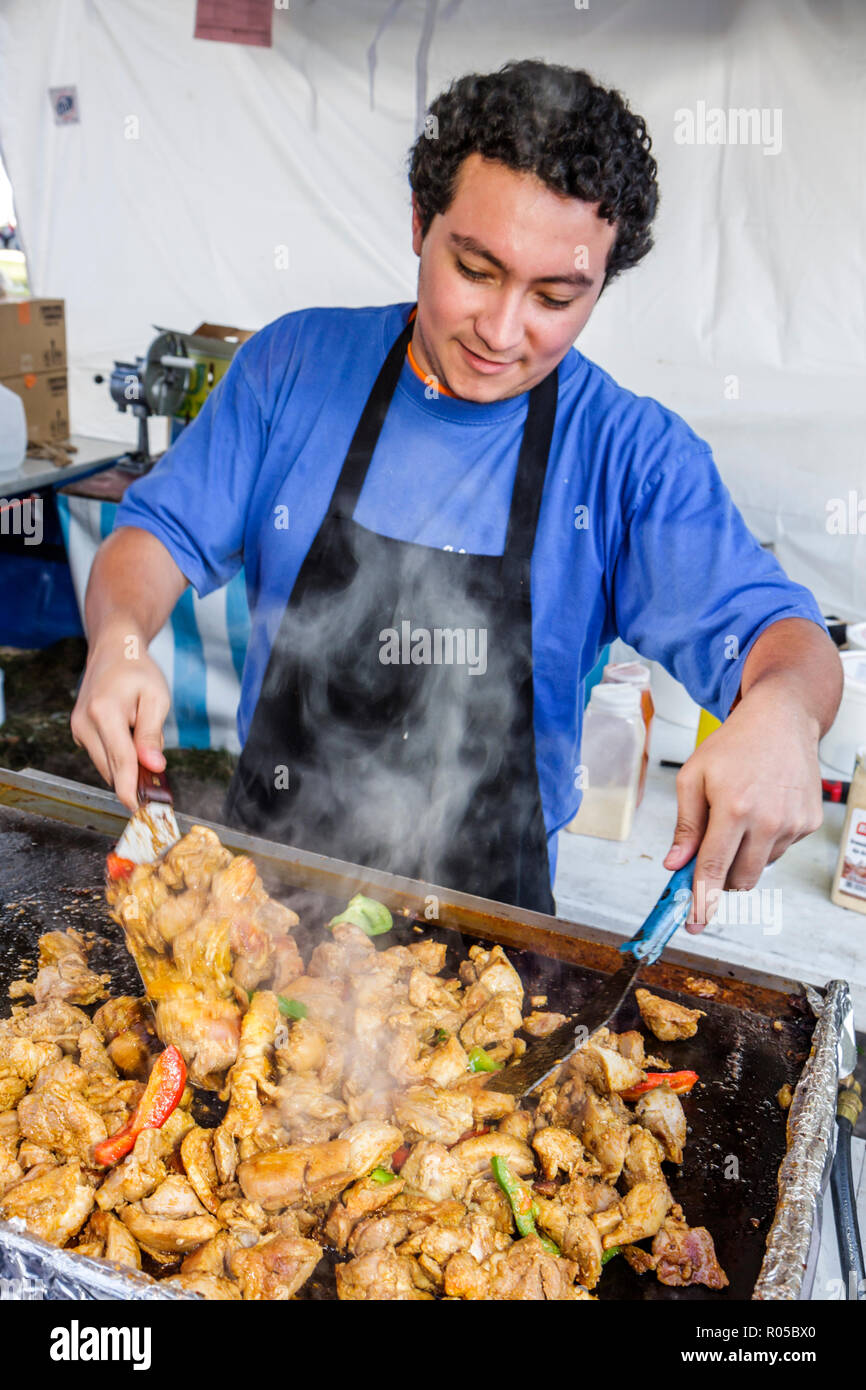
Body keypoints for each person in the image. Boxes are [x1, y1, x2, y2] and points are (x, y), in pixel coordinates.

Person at [71, 61, 842, 929]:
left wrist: (782, 712)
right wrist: (122, 637)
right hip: (263, 905)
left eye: (556, 296)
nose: (502, 331)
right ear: (418, 222)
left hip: (488, 936)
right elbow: (152, 538)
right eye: (476, 270)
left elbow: (787, 640)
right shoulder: (294, 367)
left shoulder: (629, 454)